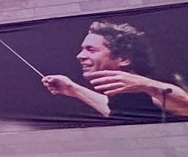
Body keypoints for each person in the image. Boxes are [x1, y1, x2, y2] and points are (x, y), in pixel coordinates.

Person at [42, 21, 188, 122]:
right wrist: (72, 89)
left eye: (91, 50)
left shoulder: (149, 87)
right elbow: (116, 111)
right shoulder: (127, 96)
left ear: (123, 58)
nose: (80, 56)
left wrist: (147, 85)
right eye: (82, 49)